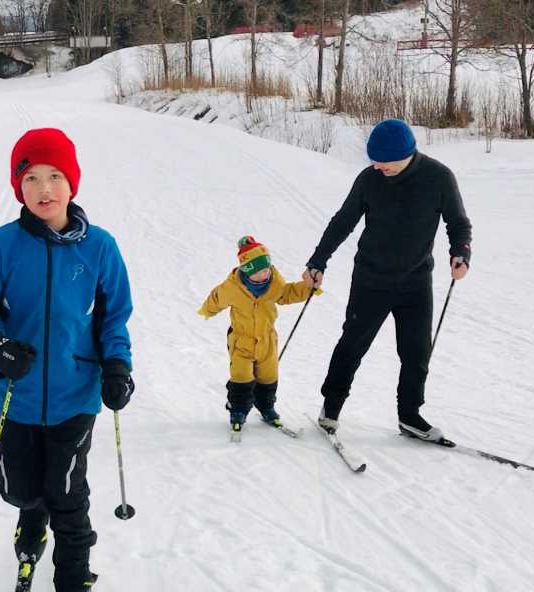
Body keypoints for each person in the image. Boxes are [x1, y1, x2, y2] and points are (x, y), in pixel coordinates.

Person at [0, 128, 134, 592]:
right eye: (31, 178)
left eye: (55, 177)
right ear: (18, 187)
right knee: (21, 490)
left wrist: (117, 366)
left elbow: (113, 317)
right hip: (14, 397)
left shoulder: (100, 249)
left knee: (68, 495)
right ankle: (28, 522)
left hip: (74, 397)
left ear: (71, 182)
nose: (44, 189)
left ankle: (75, 589)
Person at [303, 118, 472, 441]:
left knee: (416, 352)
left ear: (406, 154)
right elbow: (342, 223)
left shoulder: (438, 178)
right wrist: (317, 260)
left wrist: (460, 252)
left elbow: (458, 223)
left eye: (385, 163)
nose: (379, 168)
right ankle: (331, 408)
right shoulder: (369, 179)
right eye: (374, 162)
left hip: (416, 282)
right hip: (370, 279)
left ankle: (410, 415)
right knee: (352, 345)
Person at [199, 236, 318, 431]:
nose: (265, 274)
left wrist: (307, 289)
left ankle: (266, 407)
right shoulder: (232, 287)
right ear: (247, 271)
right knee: (241, 377)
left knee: (268, 377)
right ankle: (238, 409)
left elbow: (288, 293)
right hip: (241, 341)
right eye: (260, 271)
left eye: (266, 269)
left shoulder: (275, 283)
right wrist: (207, 310)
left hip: (267, 340)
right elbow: (216, 298)